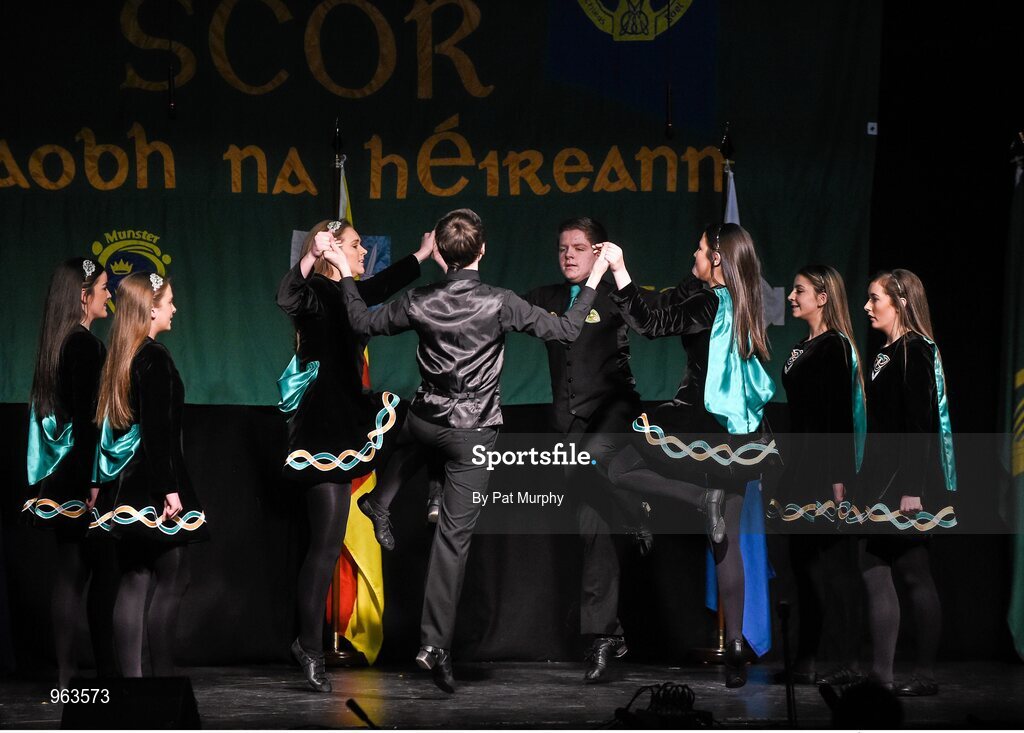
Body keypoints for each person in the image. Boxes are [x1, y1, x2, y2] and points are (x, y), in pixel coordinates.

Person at [339, 208, 608, 693]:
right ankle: (433, 644)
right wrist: (599, 277)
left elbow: (359, 318)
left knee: (412, 429)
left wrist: (341, 269)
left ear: (440, 253)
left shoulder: (419, 300)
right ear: (482, 251)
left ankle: (382, 497)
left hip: (427, 423)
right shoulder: (500, 302)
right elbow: (567, 330)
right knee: (452, 542)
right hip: (472, 436)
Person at [601, 224, 776, 689]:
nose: (693, 255)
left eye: (699, 250)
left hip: (701, 422)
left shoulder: (709, 302)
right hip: (743, 434)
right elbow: (661, 304)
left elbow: (649, 324)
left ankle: (701, 501)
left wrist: (619, 268)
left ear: (717, 258)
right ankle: (736, 643)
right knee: (728, 542)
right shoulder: (744, 304)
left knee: (615, 463)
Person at [275, 219, 435, 692]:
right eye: (355, 245)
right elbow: (286, 295)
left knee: (419, 422)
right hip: (322, 429)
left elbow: (382, 284)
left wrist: (422, 257)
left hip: (348, 419)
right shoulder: (313, 293)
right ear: (330, 250)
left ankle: (381, 502)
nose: (364, 250)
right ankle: (307, 646)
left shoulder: (348, 292)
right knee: (324, 546)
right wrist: (309, 256)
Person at [521, 216, 646, 682]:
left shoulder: (617, 294)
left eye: (578, 247)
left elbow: (648, 319)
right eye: (562, 249)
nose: (568, 255)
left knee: (590, 466)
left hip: (613, 417)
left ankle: (634, 511)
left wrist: (621, 273)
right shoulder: (547, 299)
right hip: (568, 426)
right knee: (593, 531)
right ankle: (604, 636)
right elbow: (500, 311)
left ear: (598, 251)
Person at [91, 271, 208, 677]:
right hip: (153, 488)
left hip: (125, 485)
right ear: (151, 308)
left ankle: (133, 684)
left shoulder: (123, 355)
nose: (174, 308)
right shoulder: (154, 357)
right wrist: (170, 490)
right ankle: (160, 681)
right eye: (170, 301)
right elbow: (158, 432)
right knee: (175, 575)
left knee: (135, 577)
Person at [858, 268, 955, 696]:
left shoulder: (917, 349)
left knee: (904, 569)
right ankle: (890, 673)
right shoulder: (887, 351)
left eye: (875, 299)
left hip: (907, 479)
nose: (867, 306)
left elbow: (921, 424)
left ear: (898, 303)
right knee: (893, 567)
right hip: (884, 477)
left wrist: (912, 487)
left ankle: (913, 674)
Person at [24, 257, 115, 688]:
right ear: (84, 297)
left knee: (69, 573)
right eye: (103, 287)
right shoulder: (82, 345)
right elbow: (86, 420)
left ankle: (66, 674)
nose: (109, 294)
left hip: (61, 473)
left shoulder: (57, 343)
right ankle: (85, 673)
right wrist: (94, 480)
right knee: (88, 573)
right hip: (80, 476)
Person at [775, 264, 865, 685]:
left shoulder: (836, 347)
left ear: (823, 297)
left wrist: (839, 480)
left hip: (826, 471)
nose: (791, 297)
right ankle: (806, 657)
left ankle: (847, 659)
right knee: (801, 567)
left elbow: (838, 418)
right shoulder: (798, 349)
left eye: (799, 290)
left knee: (833, 567)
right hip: (798, 468)